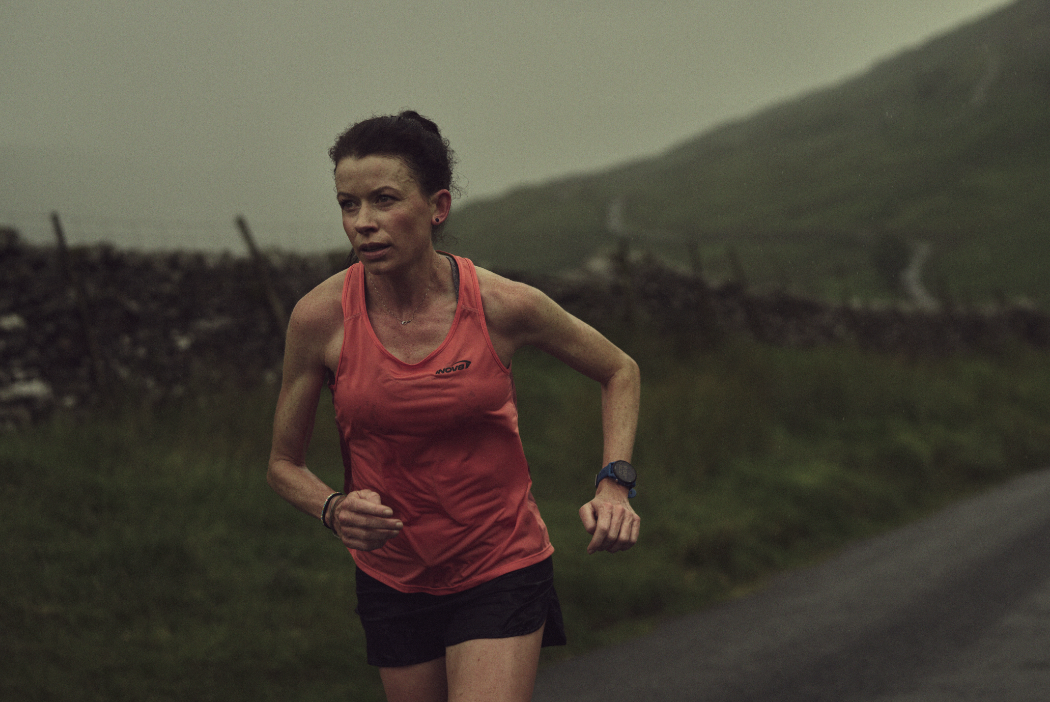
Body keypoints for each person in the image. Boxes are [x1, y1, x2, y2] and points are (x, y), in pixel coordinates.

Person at [267, 110, 641, 702]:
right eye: (348, 204)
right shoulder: (320, 318)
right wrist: (335, 510)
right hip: (393, 577)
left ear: (437, 206)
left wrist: (614, 484)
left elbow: (619, 369)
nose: (363, 223)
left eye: (384, 200)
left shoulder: (501, 305)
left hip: (500, 564)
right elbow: (283, 465)